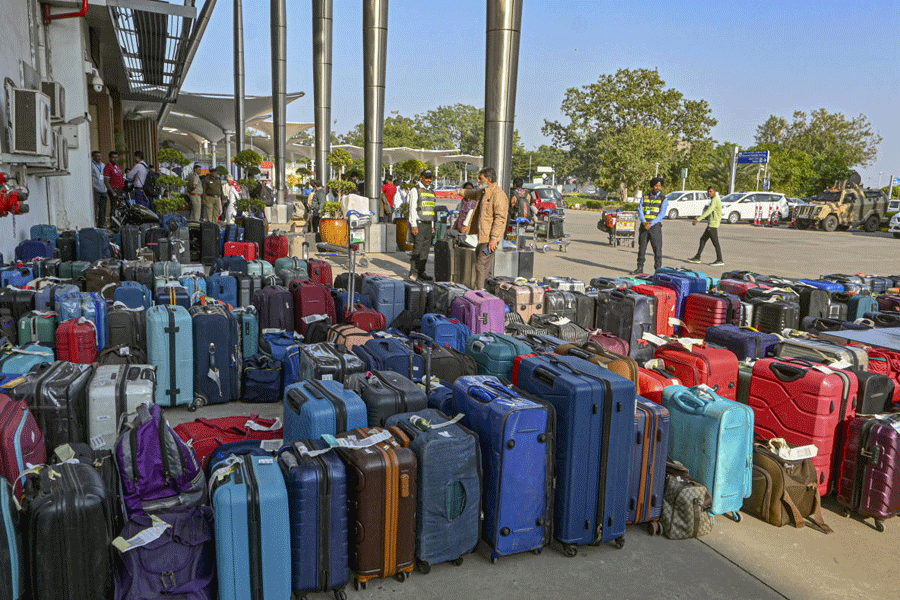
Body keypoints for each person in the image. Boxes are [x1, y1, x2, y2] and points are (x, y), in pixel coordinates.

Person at [460, 167, 509, 290]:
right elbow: (471, 194)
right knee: (484, 267)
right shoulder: (483, 192)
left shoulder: (498, 195)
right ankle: (486, 292)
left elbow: (500, 218)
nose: (478, 180)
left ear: (489, 180)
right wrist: (459, 192)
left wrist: (494, 238)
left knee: (481, 265)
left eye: (480, 178)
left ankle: (479, 293)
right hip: (482, 237)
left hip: (489, 238)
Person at [632, 177, 668, 274]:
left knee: (657, 248)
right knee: (642, 248)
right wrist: (644, 222)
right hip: (644, 226)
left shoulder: (663, 199)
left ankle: (658, 270)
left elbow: (662, 214)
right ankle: (639, 268)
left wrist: (651, 223)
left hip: (655, 227)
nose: (658, 187)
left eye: (659, 186)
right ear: (652, 186)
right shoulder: (645, 197)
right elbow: (640, 210)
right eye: (656, 185)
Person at [406, 169, 437, 281]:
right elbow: (412, 209)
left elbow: (431, 209)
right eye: (426, 177)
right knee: (417, 249)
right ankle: (413, 273)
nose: (428, 180)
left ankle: (421, 272)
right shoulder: (415, 190)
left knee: (425, 250)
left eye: (430, 178)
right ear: (421, 178)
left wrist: (432, 224)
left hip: (428, 224)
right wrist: (413, 224)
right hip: (419, 223)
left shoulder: (431, 192)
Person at [689, 186, 725, 266]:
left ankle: (720, 260)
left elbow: (709, 210)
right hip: (711, 224)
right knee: (702, 240)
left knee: (715, 243)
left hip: (713, 225)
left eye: (711, 191)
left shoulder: (715, 200)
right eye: (708, 191)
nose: (709, 193)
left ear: (714, 192)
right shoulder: (714, 199)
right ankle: (697, 257)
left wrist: (698, 219)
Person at [91, 150, 108, 228]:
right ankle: (93, 223)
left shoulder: (103, 165)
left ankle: (101, 224)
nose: (99, 158)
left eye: (100, 156)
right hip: (96, 188)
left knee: (103, 208)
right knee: (95, 207)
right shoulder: (91, 165)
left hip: (103, 188)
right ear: (93, 157)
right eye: (97, 156)